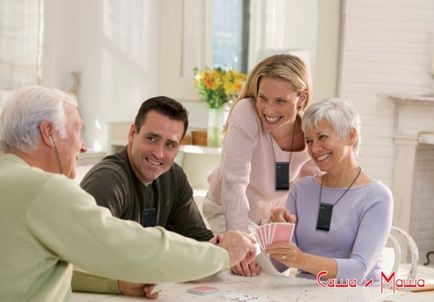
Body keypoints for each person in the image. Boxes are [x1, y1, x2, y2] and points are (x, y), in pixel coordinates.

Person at [0, 86, 256, 301]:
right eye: (78, 130)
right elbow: (127, 246)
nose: (83, 145)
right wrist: (222, 254)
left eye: (170, 144)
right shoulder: (46, 190)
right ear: (48, 133)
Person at [75, 96, 215, 295]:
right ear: (133, 133)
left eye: (170, 145)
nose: (159, 153)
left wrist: (225, 247)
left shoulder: (174, 176)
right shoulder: (107, 181)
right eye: (152, 139)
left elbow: (199, 239)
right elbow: (86, 258)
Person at [203, 54, 319, 276]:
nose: (268, 109)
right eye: (262, 97)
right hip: (227, 209)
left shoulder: (310, 130)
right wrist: (238, 241)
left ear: (302, 98)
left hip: (268, 222)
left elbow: (315, 191)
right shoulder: (247, 112)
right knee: (257, 270)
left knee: (278, 271)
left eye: (280, 101)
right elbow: (234, 184)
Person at [266, 98, 393, 285]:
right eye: (309, 140)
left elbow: (358, 271)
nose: (315, 148)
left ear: (351, 136)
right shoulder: (301, 190)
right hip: (306, 291)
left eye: (322, 137)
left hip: (357, 294)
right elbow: (280, 266)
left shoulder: (377, 196)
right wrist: (278, 233)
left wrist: (300, 259)